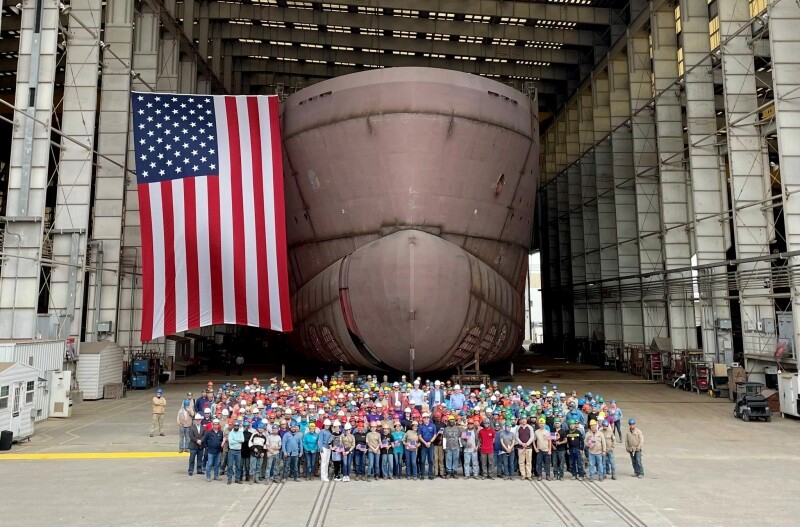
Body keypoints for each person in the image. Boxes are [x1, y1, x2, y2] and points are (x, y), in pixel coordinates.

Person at [515, 415, 535, 480]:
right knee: (521, 462)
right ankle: (523, 474)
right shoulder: (518, 427)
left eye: (525, 419)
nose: (524, 420)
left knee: (529, 462)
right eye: (522, 419)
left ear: (526, 420)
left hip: (528, 447)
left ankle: (529, 475)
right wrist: (521, 443)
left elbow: (532, 437)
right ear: (520, 420)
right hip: (521, 447)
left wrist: (527, 444)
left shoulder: (530, 427)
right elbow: (516, 437)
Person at [418, 412, 437, 480]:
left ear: (429, 418)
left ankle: (430, 474)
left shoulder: (433, 425)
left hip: (431, 445)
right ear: (422, 419)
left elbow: (435, 435)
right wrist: (425, 443)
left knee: (431, 460)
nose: (426, 419)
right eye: (424, 417)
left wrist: (430, 442)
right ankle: (422, 475)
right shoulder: (421, 426)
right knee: (422, 460)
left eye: (427, 417)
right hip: (423, 445)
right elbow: (419, 436)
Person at [226, 419, 245, 485]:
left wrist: (235, 440)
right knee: (230, 465)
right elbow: (230, 442)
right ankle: (229, 478)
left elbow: (242, 440)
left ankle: (237, 478)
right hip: (232, 450)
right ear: (233, 426)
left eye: (237, 426)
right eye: (235, 426)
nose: (236, 427)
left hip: (238, 451)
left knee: (238, 466)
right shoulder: (231, 433)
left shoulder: (241, 432)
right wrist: (238, 441)